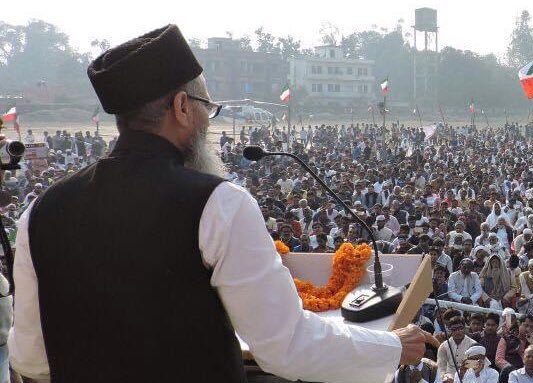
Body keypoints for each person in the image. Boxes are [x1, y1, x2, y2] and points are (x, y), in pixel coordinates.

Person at [8, 24, 429, 383]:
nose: (209, 121)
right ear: (182, 107)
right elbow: (286, 347)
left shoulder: (41, 213)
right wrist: (392, 347)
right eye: (207, 107)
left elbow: (30, 359)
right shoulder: (217, 205)